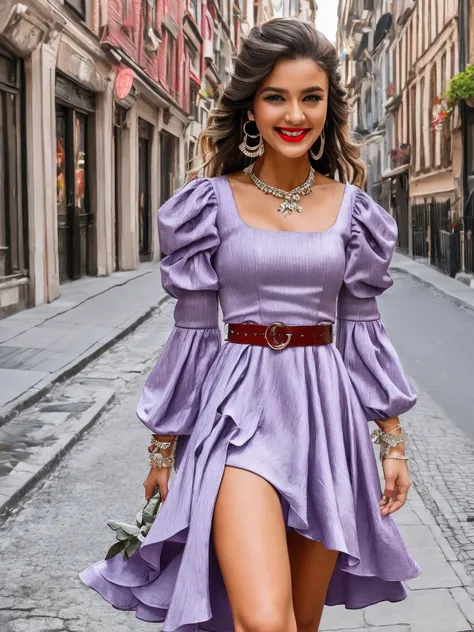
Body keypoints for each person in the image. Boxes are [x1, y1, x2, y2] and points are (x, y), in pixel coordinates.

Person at [79, 17, 422, 632]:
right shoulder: (208, 204)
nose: (295, 113)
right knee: (265, 619)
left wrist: (390, 440)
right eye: (276, 96)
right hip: (237, 410)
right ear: (251, 108)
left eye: (310, 97)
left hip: (327, 416)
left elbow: (363, 329)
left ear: (328, 106)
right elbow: (191, 333)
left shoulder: (354, 213)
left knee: (300, 622)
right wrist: (165, 442)